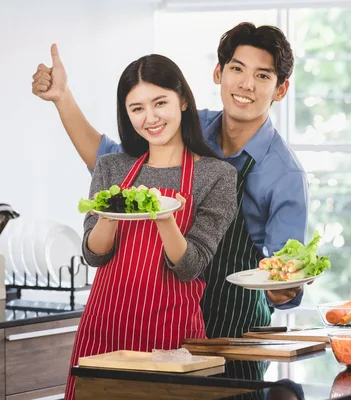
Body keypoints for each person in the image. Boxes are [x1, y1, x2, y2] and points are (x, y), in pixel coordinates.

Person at [32, 22, 308, 339]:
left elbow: (286, 268)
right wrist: (62, 98)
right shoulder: (185, 124)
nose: (246, 84)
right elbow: (110, 161)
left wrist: (283, 288)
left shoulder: (285, 174)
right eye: (237, 69)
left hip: (236, 322)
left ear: (281, 89)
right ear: (219, 73)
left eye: (263, 76)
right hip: (166, 315)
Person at [63, 54, 237, 399]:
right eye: (137, 108)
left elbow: (190, 267)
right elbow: (93, 256)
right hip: (104, 329)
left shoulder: (216, 176)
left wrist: (165, 218)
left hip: (170, 336)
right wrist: (108, 215)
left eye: (160, 103)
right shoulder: (112, 168)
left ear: (183, 100)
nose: (151, 118)